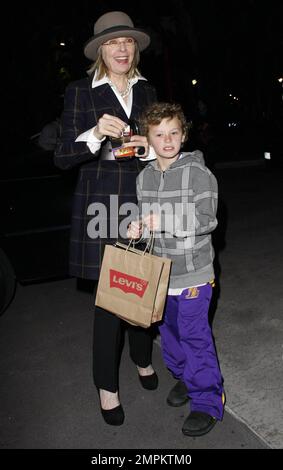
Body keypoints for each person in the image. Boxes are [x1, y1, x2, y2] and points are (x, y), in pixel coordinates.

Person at [54, 11, 158, 426]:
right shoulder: (80, 91)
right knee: (111, 300)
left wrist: (148, 149)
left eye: (129, 42)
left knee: (143, 284)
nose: (122, 48)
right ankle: (106, 385)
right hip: (102, 205)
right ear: (100, 50)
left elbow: (160, 145)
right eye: (114, 42)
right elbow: (62, 157)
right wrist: (96, 134)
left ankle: (142, 356)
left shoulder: (147, 90)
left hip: (143, 203)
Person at [127, 102, 225, 436]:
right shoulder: (144, 178)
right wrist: (138, 228)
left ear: (183, 135)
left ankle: (207, 400)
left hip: (195, 273)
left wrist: (165, 220)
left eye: (173, 132)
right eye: (159, 134)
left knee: (195, 336)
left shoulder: (199, 173)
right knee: (169, 334)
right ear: (148, 139)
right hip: (161, 273)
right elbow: (148, 221)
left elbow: (207, 219)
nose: (167, 140)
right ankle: (186, 378)